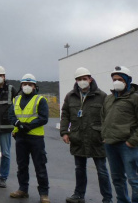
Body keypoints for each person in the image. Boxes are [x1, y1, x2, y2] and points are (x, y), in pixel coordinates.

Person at [60, 67, 112, 203]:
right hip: (78, 137)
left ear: (90, 79)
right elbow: (65, 115)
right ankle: (78, 195)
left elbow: (108, 117)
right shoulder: (70, 96)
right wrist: (64, 132)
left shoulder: (102, 96)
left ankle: (107, 198)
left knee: (102, 170)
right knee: (79, 169)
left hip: (97, 138)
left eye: (84, 79)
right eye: (79, 79)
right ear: (76, 81)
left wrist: (107, 134)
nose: (82, 81)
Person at [9, 74, 50, 203]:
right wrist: (18, 124)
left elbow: (44, 118)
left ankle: (44, 193)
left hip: (35, 138)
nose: (27, 86)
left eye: (30, 84)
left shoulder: (40, 100)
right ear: (21, 85)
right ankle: (23, 189)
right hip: (20, 137)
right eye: (24, 84)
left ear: (34, 86)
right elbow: (11, 115)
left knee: (40, 166)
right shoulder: (16, 99)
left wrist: (29, 126)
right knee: (22, 165)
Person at [102, 66, 138, 203]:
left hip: (128, 145)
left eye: (120, 79)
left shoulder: (135, 98)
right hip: (110, 144)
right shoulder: (109, 99)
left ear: (128, 81)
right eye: (114, 79)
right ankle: (122, 201)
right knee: (117, 179)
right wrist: (104, 136)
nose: (117, 82)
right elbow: (103, 118)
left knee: (133, 179)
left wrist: (132, 141)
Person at [0, 65, 17, 188]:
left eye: (1, 75)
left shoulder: (11, 90)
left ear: (4, 77)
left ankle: (3, 178)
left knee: (6, 153)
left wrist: (16, 126)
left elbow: (18, 107)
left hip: (6, 128)